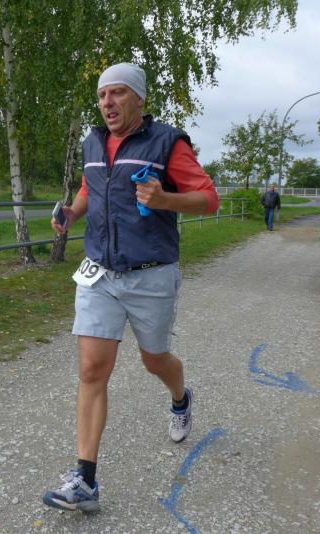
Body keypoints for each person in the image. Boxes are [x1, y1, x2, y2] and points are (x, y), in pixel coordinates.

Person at [44, 62, 219, 512]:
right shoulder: (92, 142)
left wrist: (165, 200)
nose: (108, 102)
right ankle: (85, 480)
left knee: (154, 359)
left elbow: (209, 199)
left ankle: (180, 397)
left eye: (118, 93)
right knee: (92, 369)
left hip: (151, 273)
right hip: (100, 273)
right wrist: (72, 214)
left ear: (139, 98)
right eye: (103, 95)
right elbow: (91, 187)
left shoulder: (166, 143)